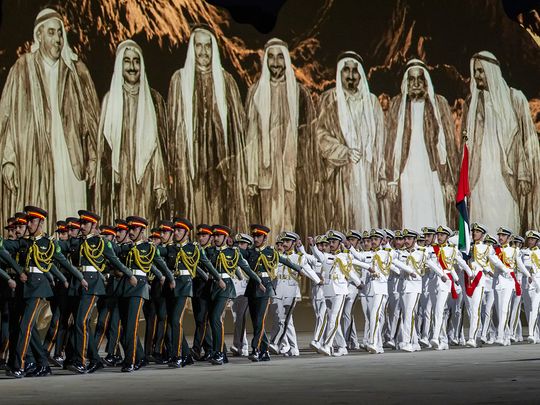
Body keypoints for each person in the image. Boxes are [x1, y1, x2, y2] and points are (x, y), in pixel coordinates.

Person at [0, 9, 100, 227]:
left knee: (72, 219)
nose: (58, 39)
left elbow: (91, 122)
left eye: (60, 34)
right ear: (38, 36)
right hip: (34, 161)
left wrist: (92, 158)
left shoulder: (76, 71)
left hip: (71, 158)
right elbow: (7, 119)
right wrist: (8, 159)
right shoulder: (22, 68)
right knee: (38, 221)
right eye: (52, 33)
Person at [167, 25, 247, 229]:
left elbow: (238, 130)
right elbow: (173, 128)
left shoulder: (227, 81)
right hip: (189, 169)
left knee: (219, 222)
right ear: (192, 49)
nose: (203, 52)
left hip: (221, 171)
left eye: (207, 46)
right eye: (198, 46)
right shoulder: (179, 80)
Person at [462, 51, 540, 233]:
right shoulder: (471, 103)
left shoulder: (514, 98)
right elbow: (465, 144)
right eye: (475, 71)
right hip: (479, 177)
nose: (477, 76)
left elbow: (525, 140)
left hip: (507, 176)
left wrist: (523, 174)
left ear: (491, 71)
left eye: (481, 71)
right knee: (481, 222)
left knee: (506, 221)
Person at [245, 38, 315, 236]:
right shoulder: (255, 93)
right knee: (265, 219)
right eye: (271, 57)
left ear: (286, 60)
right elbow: (251, 137)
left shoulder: (300, 93)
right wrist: (251, 177)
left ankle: (290, 263)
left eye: (280, 57)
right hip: (265, 170)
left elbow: (308, 138)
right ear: (266, 61)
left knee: (291, 217)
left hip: (292, 170)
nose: (276, 62)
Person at [96, 40, 168, 225]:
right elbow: (103, 149)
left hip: (147, 180)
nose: (132, 66)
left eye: (136, 61)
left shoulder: (155, 100)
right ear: (120, 65)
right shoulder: (110, 101)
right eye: (127, 61)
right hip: (119, 183)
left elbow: (159, 148)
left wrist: (159, 182)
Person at [316, 52, 385, 230]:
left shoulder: (372, 102)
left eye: (355, 70)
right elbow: (321, 137)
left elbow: (380, 143)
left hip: (368, 174)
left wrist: (381, 175)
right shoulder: (330, 99)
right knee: (344, 223)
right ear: (340, 73)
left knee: (369, 222)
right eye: (346, 70)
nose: (351, 75)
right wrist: (344, 152)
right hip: (341, 174)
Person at [385, 59, 457, 230]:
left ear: (426, 82)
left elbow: (448, 144)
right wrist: (391, 180)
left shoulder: (439, 104)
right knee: (409, 217)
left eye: (420, 79)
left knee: (434, 215)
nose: (416, 84)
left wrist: (448, 180)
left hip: (432, 172)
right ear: (406, 82)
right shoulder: (397, 105)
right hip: (406, 172)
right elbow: (389, 144)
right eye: (411, 79)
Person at [117, 216, 173, 372]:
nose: (131, 232)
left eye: (134, 229)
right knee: (125, 326)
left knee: (131, 327)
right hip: (123, 288)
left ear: (142, 231)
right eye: (129, 229)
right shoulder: (126, 247)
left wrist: (168, 278)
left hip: (139, 287)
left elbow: (159, 264)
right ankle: (140, 357)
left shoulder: (148, 247)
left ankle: (130, 360)